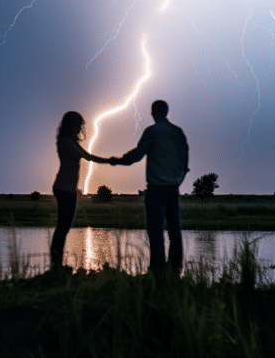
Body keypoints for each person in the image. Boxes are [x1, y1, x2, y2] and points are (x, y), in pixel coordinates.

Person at [110, 100, 189, 275]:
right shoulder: (178, 132)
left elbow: (137, 155)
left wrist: (118, 160)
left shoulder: (152, 131)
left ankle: (157, 271)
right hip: (173, 187)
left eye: (152, 110)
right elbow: (185, 162)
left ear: (154, 112)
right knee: (175, 230)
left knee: (156, 231)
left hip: (156, 188)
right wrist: (177, 180)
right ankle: (175, 270)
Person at [50, 111, 114, 270]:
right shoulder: (65, 142)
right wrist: (111, 161)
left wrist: (109, 161)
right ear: (71, 125)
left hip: (69, 189)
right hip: (64, 188)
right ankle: (55, 265)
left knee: (63, 228)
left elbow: (87, 156)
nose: (80, 128)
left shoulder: (70, 141)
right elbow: (88, 157)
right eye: (78, 125)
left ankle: (56, 265)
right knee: (62, 228)